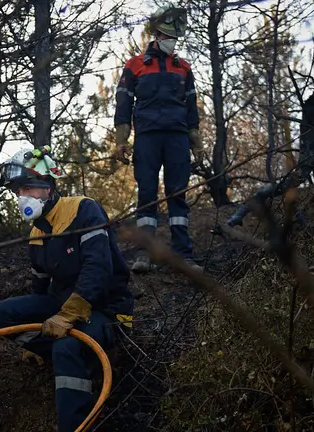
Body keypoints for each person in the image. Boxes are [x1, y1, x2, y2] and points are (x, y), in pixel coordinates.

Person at [0, 146, 135, 432]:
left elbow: (98, 269)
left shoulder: (83, 210)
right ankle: (61, 348)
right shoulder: (37, 232)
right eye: (18, 191)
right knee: (1, 315)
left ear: (48, 187)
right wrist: (37, 335)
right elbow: (40, 287)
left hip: (105, 309)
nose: (23, 197)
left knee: (66, 349)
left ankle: (76, 423)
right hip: (62, 306)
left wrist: (68, 316)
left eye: (28, 188)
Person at [113, 3, 204, 272]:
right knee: (148, 195)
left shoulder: (184, 68)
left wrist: (197, 144)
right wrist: (121, 141)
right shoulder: (135, 65)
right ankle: (145, 254)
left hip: (177, 138)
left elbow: (191, 109)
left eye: (176, 37)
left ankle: (183, 255)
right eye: (169, 36)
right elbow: (123, 106)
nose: (172, 42)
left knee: (178, 194)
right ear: (157, 35)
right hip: (147, 138)